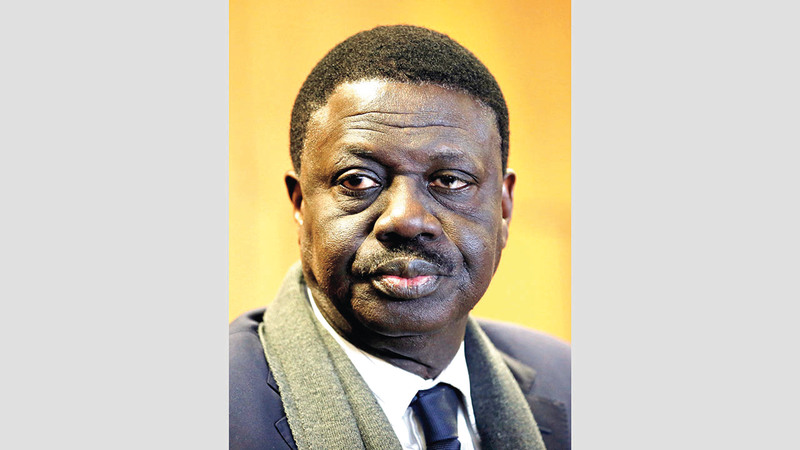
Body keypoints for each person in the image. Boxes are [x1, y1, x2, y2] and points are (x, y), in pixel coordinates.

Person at [230, 25, 570, 450]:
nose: (407, 219)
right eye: (357, 180)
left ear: (503, 206)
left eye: (450, 180)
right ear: (300, 203)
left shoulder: (569, 381)